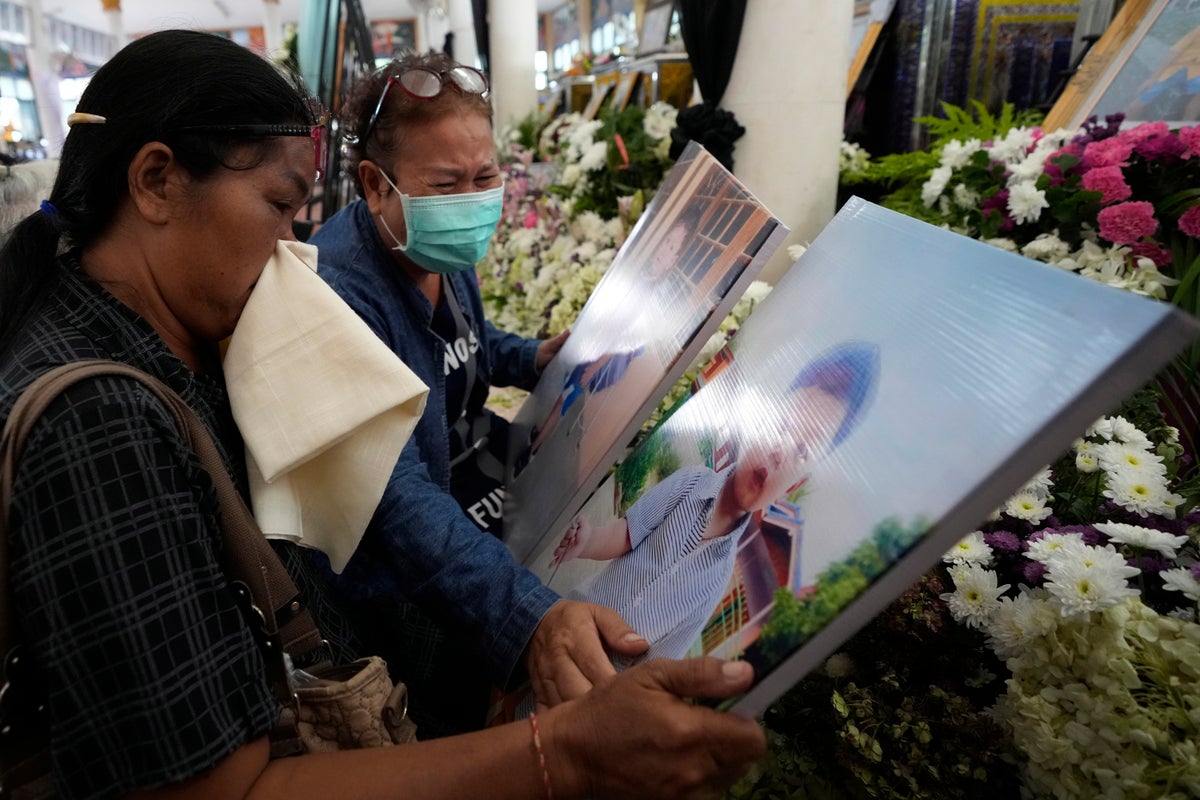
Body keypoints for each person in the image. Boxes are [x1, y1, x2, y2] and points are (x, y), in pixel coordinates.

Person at [0, 29, 766, 800]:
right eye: (278, 206)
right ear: (158, 181)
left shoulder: (170, 331)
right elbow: (215, 788)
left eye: (300, 215)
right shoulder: (99, 424)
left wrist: (529, 359)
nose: (296, 248)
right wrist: (560, 754)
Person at [309, 52, 643, 737]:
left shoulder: (435, 253)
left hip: (477, 485)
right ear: (375, 186)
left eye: (484, 176)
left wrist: (531, 357)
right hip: (403, 579)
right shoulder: (340, 297)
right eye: (445, 183)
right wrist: (528, 619)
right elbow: (394, 499)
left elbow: (468, 344)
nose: (472, 200)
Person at [549, 342, 880, 661]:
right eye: (783, 425)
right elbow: (626, 534)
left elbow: (664, 656)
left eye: (803, 450)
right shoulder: (690, 482)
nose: (781, 450)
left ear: (796, 484)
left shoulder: (720, 576)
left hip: (599, 684)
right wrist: (587, 541)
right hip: (574, 622)